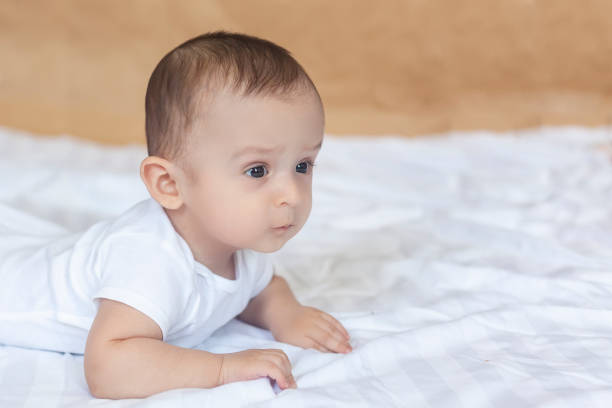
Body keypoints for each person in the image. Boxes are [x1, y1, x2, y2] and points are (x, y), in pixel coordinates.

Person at [0, 31, 352, 399]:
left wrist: (288, 315)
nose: (292, 195)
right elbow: (109, 368)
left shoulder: (236, 244)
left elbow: (260, 289)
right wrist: (224, 367)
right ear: (169, 184)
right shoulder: (149, 259)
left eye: (302, 165)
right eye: (257, 171)